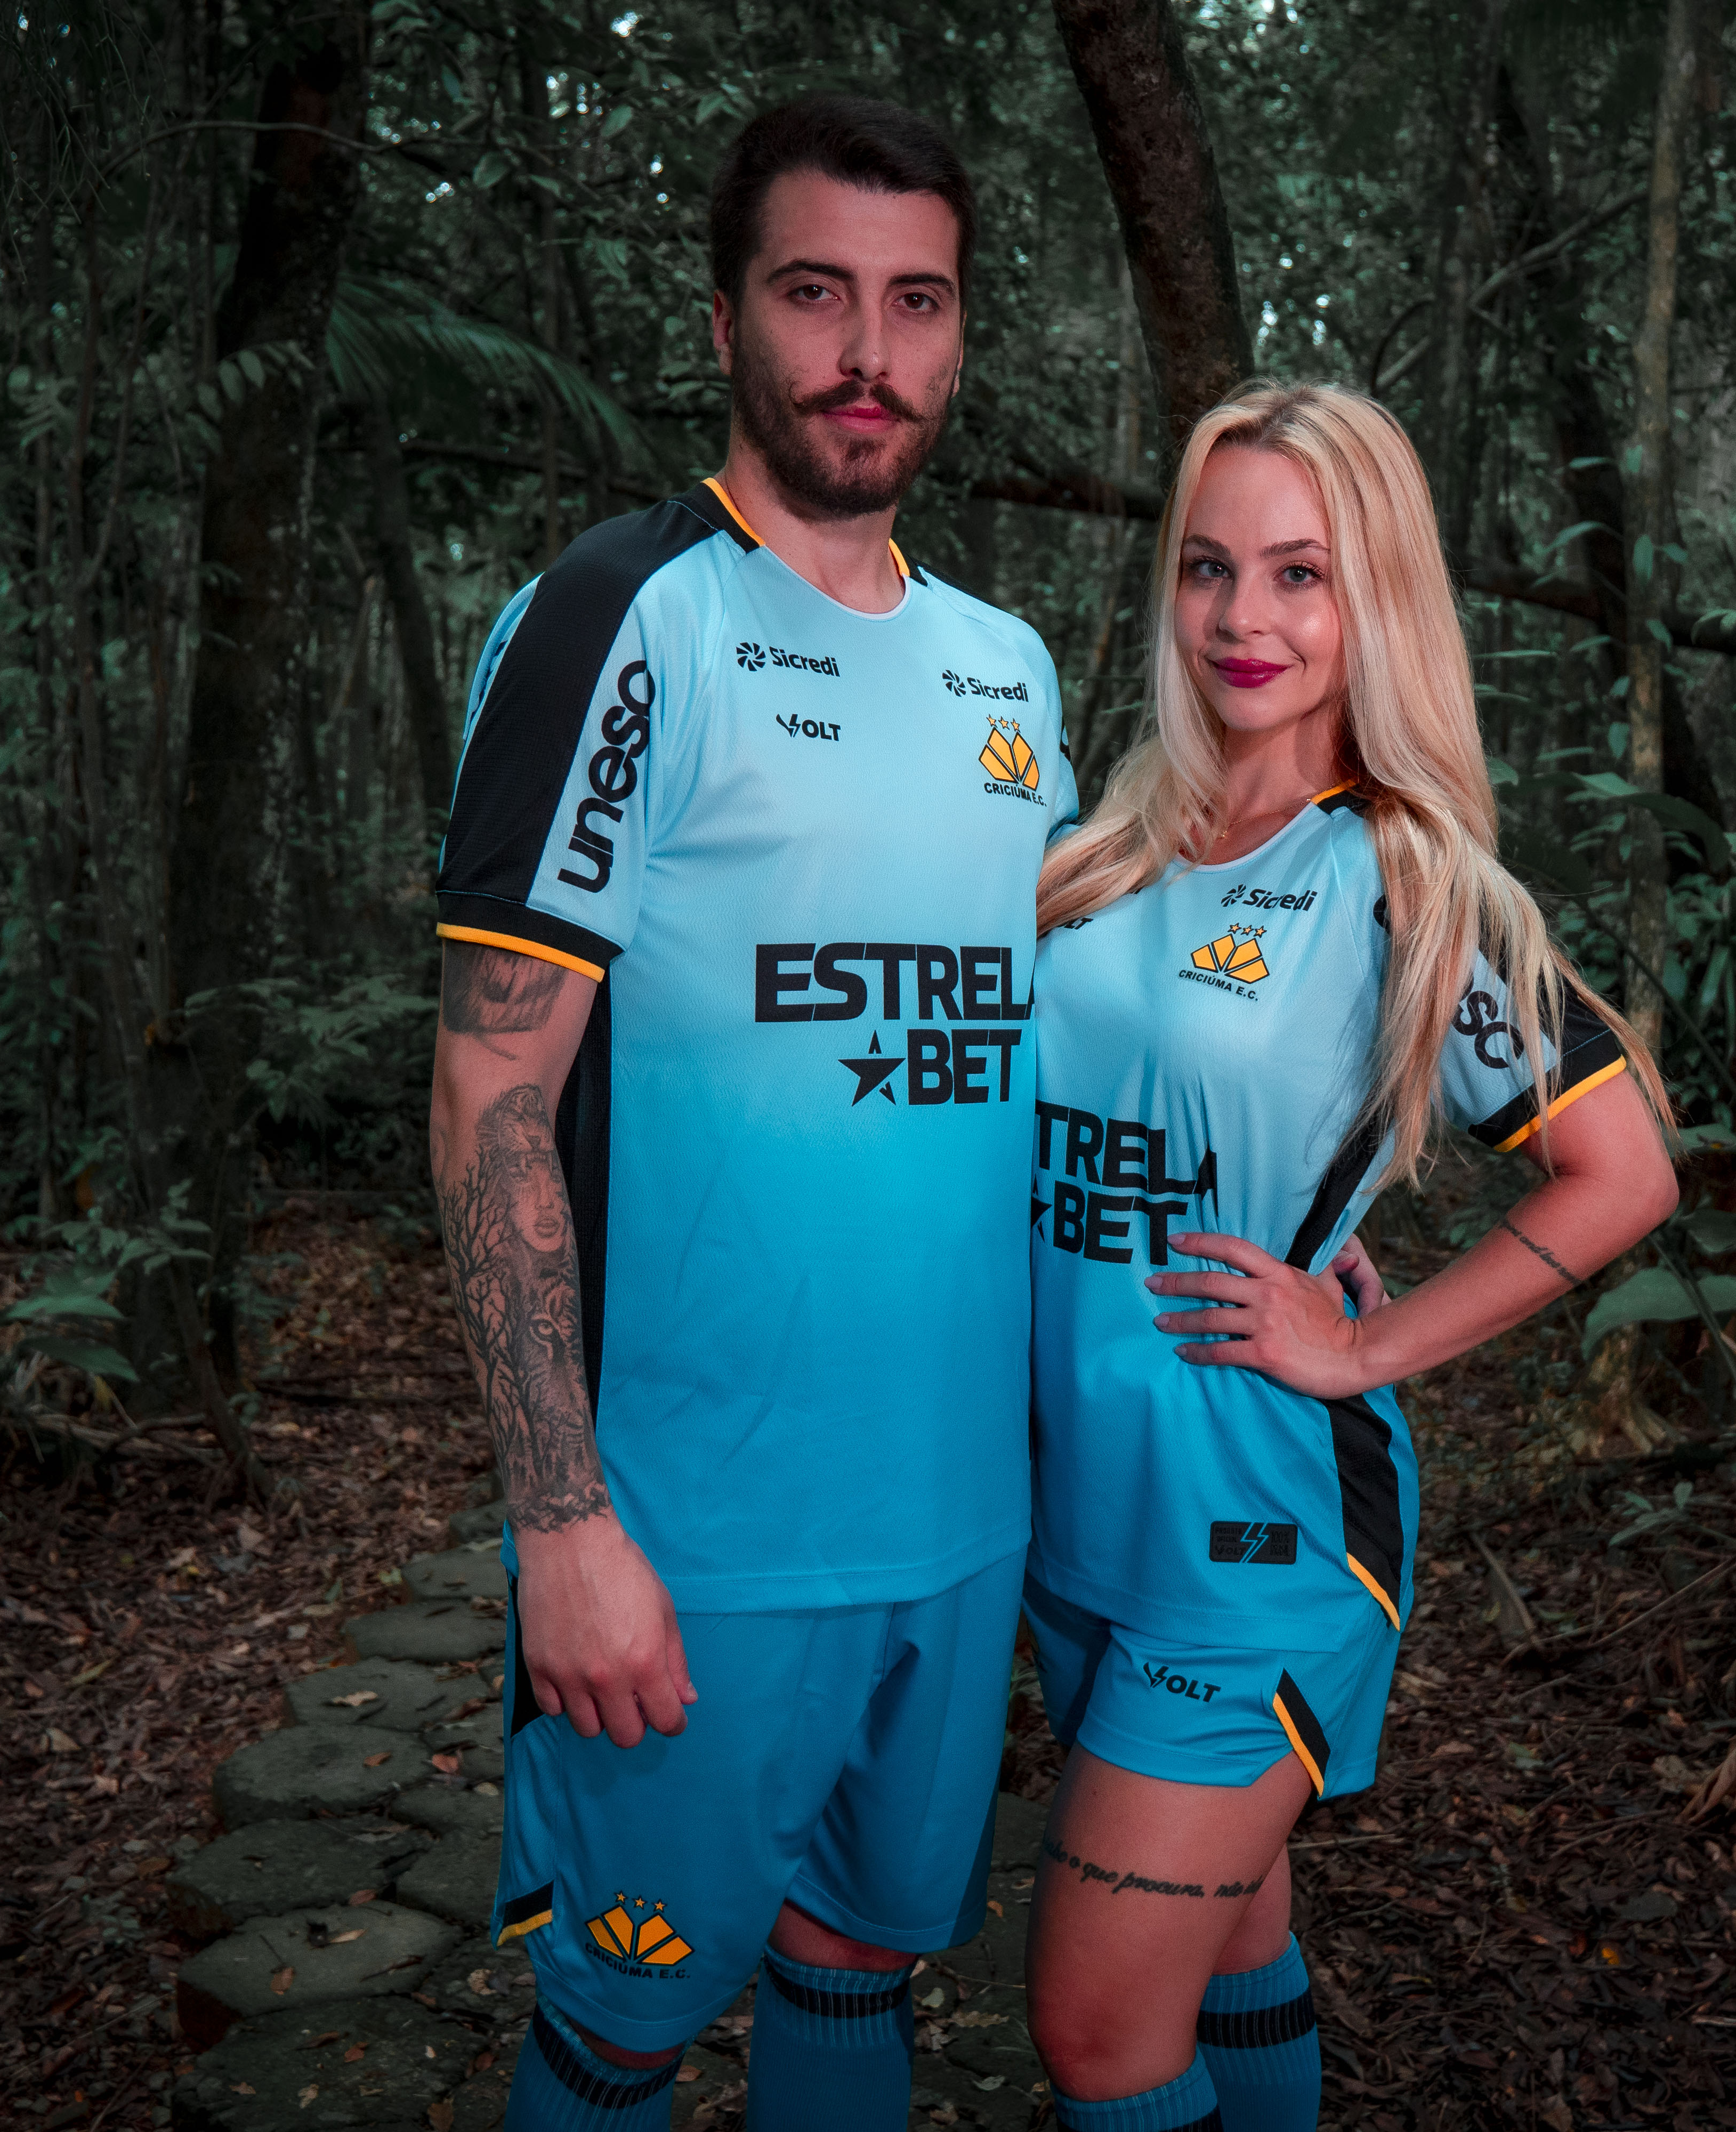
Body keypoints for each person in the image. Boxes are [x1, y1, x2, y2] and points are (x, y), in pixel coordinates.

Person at [426, 94, 1075, 2132]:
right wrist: (561, 1525)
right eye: (817, 293)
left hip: (959, 1519)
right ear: (726, 322)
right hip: (697, 1537)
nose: (868, 353)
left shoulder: (1010, 670)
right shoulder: (626, 616)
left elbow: (1058, 1043)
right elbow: (490, 1088)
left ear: (960, 336)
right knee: (620, 2031)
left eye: (917, 302)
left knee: (856, 1966)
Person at [1018, 383, 1682, 2132]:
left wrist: (1363, 1345)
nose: (1245, 617)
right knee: (1233, 1944)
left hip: (1257, 1522)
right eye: (1210, 567)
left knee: (1096, 2033)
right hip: (1080, 1501)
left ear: (1374, 595)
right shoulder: (1107, 849)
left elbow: (1622, 1173)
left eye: (1301, 573)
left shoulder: (1407, 877)